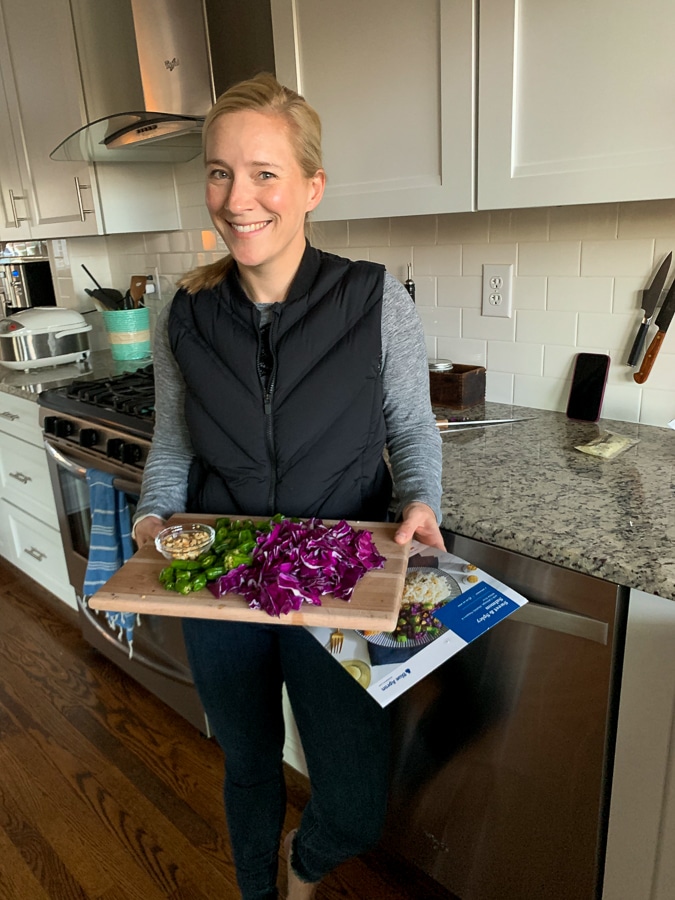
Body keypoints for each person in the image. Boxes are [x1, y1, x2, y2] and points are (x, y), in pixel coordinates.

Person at [133, 72, 443, 900]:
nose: (239, 199)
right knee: (245, 764)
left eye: (265, 173)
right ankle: (257, 892)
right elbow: (172, 440)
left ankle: (308, 860)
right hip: (222, 580)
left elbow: (411, 430)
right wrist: (154, 514)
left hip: (339, 576)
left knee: (352, 799)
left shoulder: (375, 299)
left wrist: (420, 503)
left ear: (310, 187)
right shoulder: (183, 313)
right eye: (219, 171)